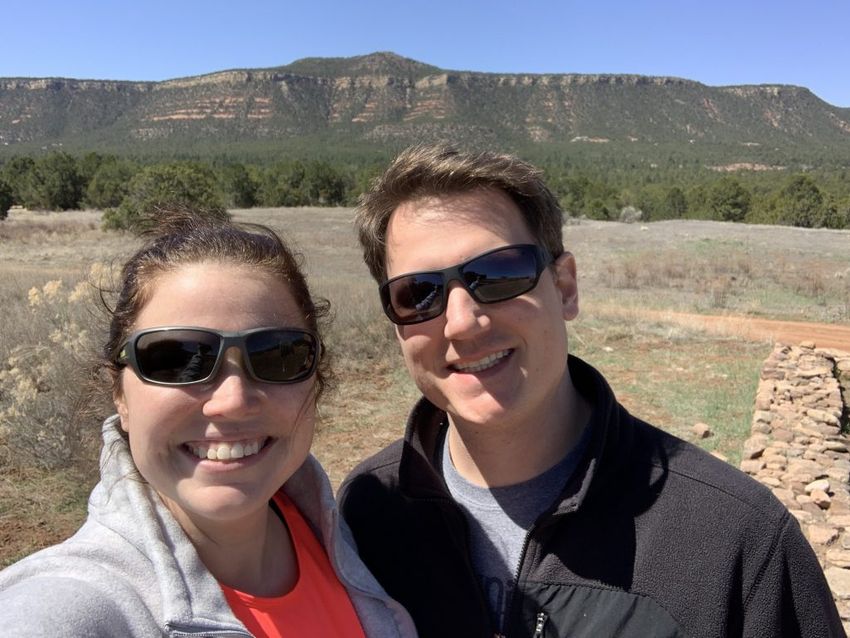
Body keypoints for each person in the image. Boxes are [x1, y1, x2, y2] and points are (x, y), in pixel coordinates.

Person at [338, 145, 843, 637]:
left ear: (565, 288)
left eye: (498, 273)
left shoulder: (735, 540)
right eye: (417, 293)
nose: (462, 322)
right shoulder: (366, 514)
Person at [0, 210, 417, 638]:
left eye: (277, 356)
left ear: (316, 378)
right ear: (120, 394)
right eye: (177, 359)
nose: (232, 401)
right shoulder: (77, 606)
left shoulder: (351, 534)